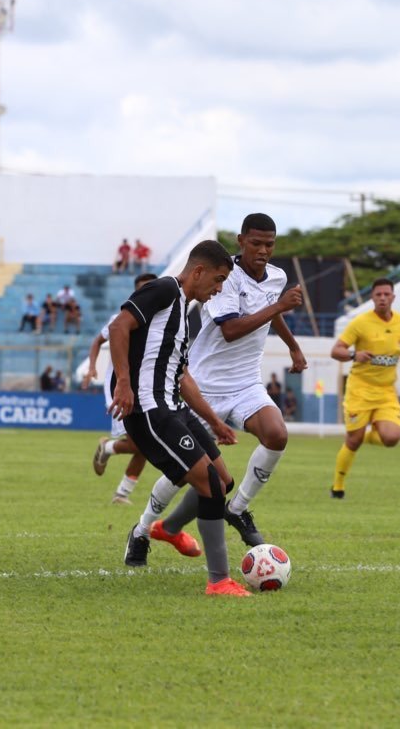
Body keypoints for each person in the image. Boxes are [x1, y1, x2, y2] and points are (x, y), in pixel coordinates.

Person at [144, 213, 306, 552]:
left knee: (277, 435)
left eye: (270, 244)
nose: (263, 250)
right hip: (202, 387)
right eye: (256, 243)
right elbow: (230, 331)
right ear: (241, 240)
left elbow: (271, 312)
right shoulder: (225, 277)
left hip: (246, 383)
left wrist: (293, 347)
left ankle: (239, 507)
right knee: (185, 470)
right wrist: (279, 304)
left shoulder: (277, 277)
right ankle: (143, 529)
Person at [109, 239, 250, 596]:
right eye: (218, 280)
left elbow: (181, 375)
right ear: (198, 271)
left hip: (175, 408)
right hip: (149, 409)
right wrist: (123, 383)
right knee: (211, 487)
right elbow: (118, 327)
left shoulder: (186, 313)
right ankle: (219, 581)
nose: (219, 289)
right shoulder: (165, 288)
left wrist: (215, 422)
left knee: (223, 479)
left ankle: (168, 529)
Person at [329, 278, 400, 499]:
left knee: (392, 438)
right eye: (378, 295)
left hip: (386, 391)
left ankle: (363, 434)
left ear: (393, 297)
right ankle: (338, 487)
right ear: (372, 298)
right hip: (360, 389)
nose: (383, 298)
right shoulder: (360, 323)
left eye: (387, 294)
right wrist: (353, 355)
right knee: (353, 442)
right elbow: (336, 350)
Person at [83, 272, 158, 505]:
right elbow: (98, 340)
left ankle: (122, 494)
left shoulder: (161, 320)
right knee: (139, 444)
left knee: (148, 445)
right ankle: (107, 447)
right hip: (119, 388)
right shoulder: (121, 318)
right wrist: (92, 367)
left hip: (146, 389)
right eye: (143, 290)